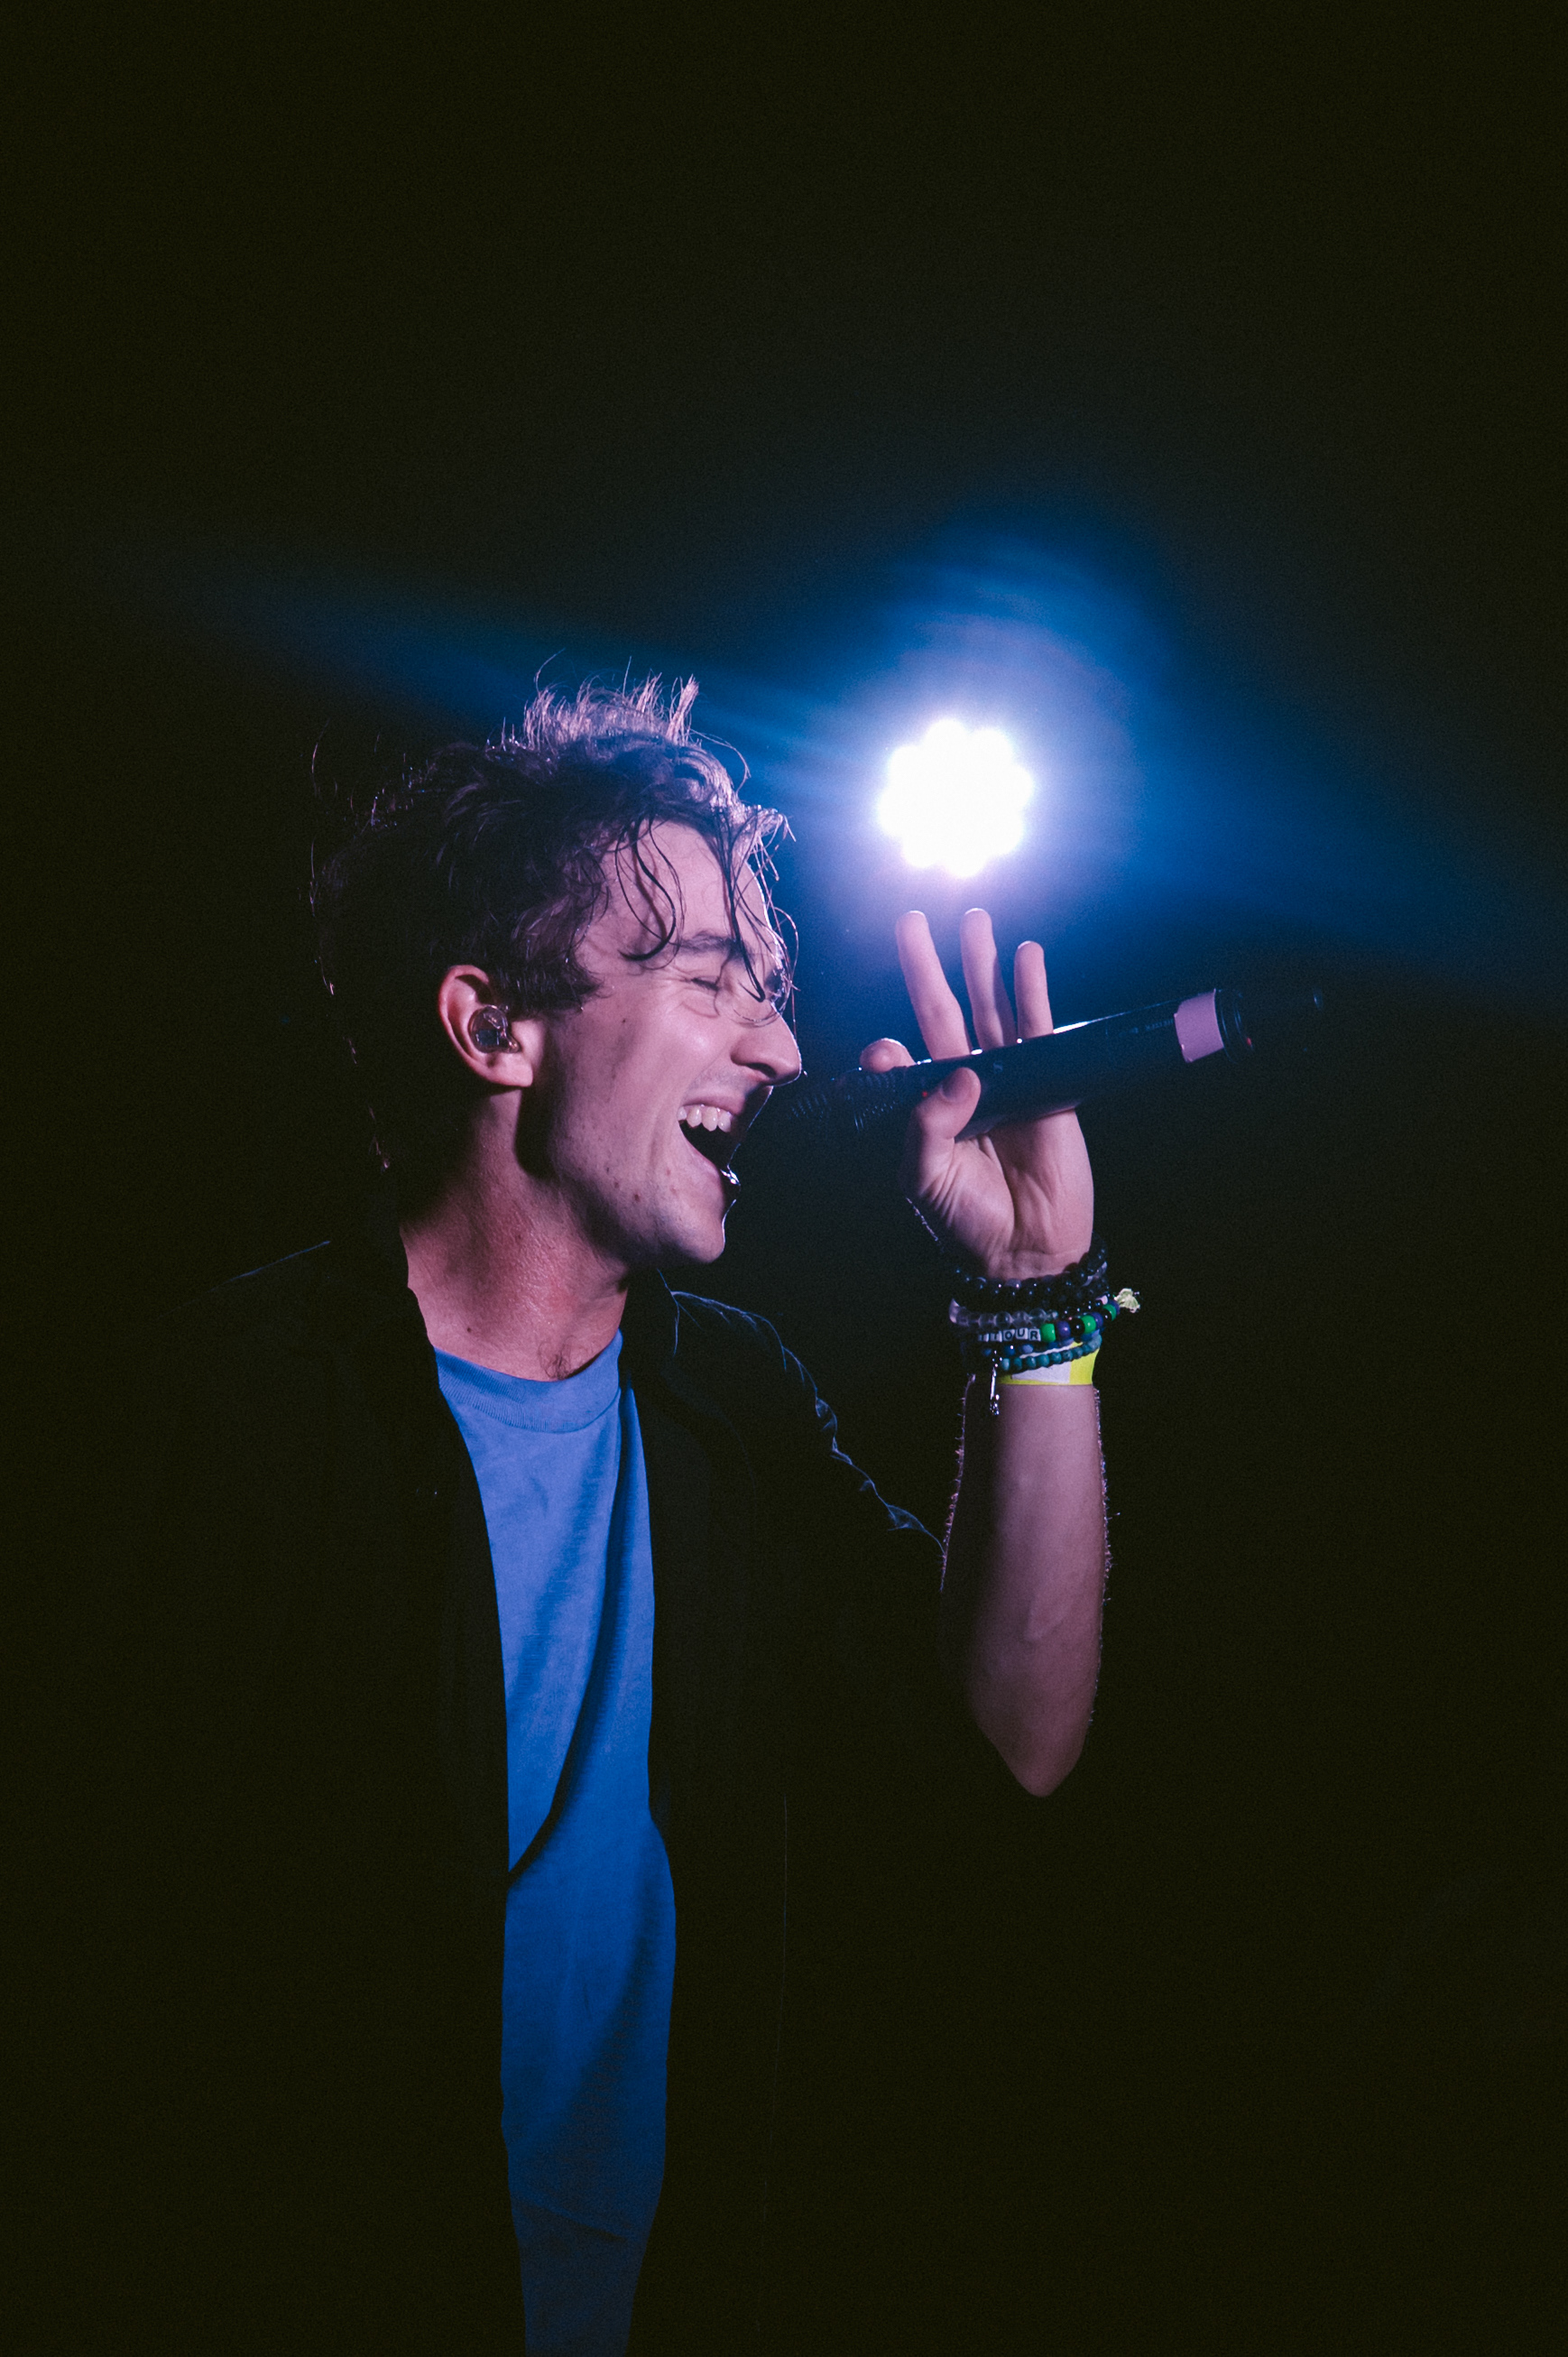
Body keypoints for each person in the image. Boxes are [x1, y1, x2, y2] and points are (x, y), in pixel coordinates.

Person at [33, 680, 1112, 2357]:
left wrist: (1037, 1298)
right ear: (492, 1028)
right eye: (707, 982)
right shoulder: (219, 1417)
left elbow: (1015, 1738)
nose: (781, 1050)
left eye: (769, 992)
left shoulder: (727, 1404)